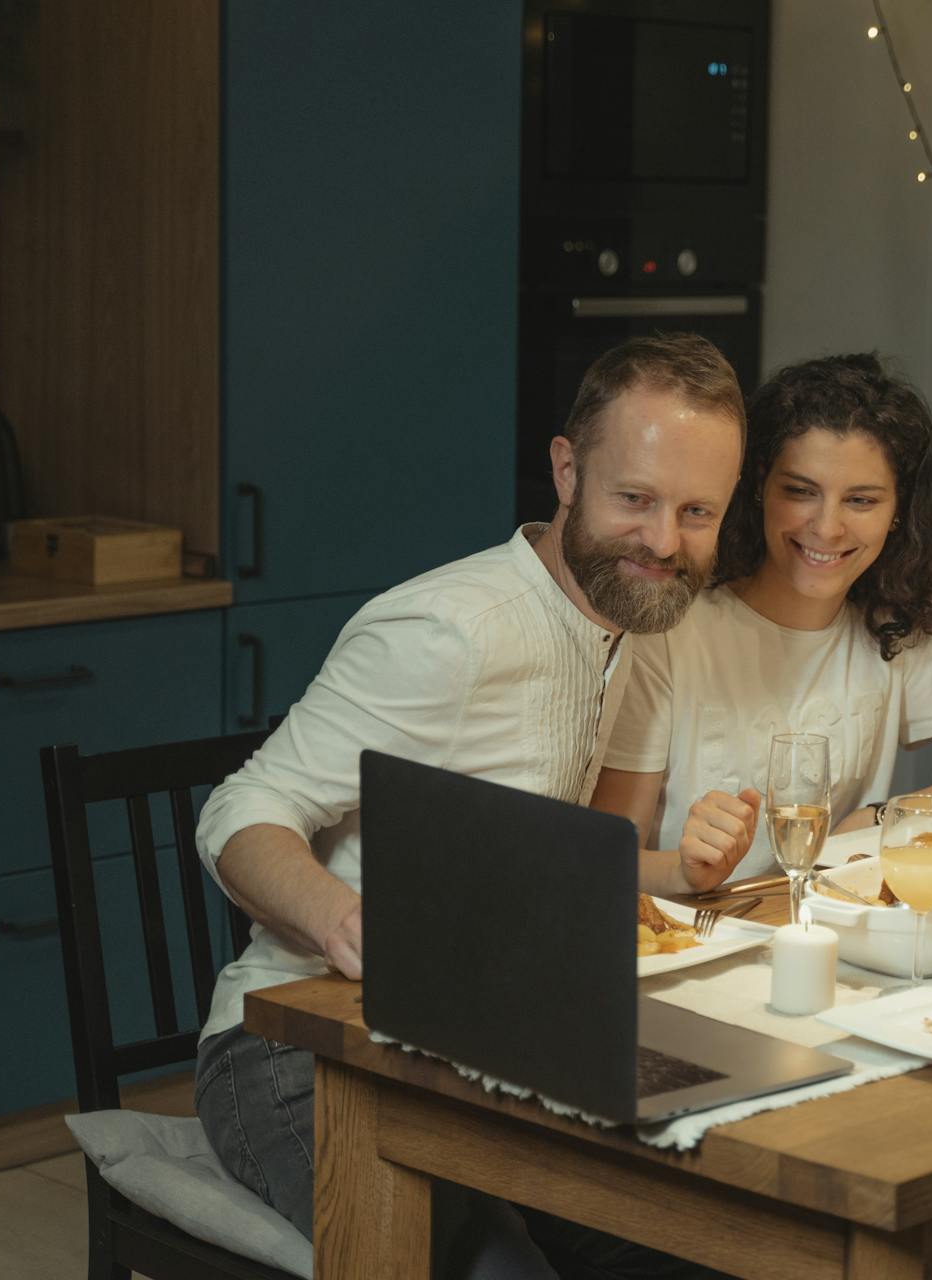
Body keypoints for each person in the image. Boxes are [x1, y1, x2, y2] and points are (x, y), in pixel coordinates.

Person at [191, 334, 748, 1272]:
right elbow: (240, 808)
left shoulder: (627, 622)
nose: (664, 542)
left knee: (700, 1243)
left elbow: (527, 847)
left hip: (485, 1050)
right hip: (296, 1058)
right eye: (636, 500)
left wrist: (671, 873)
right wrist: (344, 920)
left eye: (698, 512)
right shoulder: (453, 634)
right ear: (567, 472)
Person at [592, 352, 932, 883]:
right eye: (800, 491)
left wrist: (880, 819)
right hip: (696, 944)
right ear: (757, 487)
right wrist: (685, 868)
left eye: (861, 500)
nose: (828, 528)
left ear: (898, 512)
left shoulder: (890, 634)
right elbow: (606, 857)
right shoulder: (670, 636)